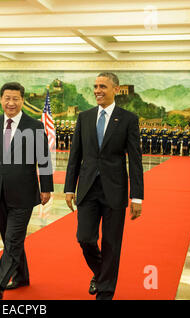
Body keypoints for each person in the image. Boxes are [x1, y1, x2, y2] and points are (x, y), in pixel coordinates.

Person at [0, 82, 54, 300]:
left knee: (13, 239)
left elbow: (43, 158)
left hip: (24, 192)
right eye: (7, 98)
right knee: (9, 239)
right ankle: (22, 276)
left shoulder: (34, 126)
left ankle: (0, 283)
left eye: (15, 99)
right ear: (1, 99)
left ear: (22, 100)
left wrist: (47, 188)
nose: (11, 103)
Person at [64, 72, 144, 300]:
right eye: (95, 86)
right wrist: (70, 187)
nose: (98, 90)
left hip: (114, 190)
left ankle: (105, 292)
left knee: (111, 243)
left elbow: (135, 160)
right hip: (87, 189)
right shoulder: (85, 117)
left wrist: (137, 196)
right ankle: (101, 274)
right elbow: (75, 155)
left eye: (103, 86)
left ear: (116, 90)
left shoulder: (128, 119)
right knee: (85, 238)